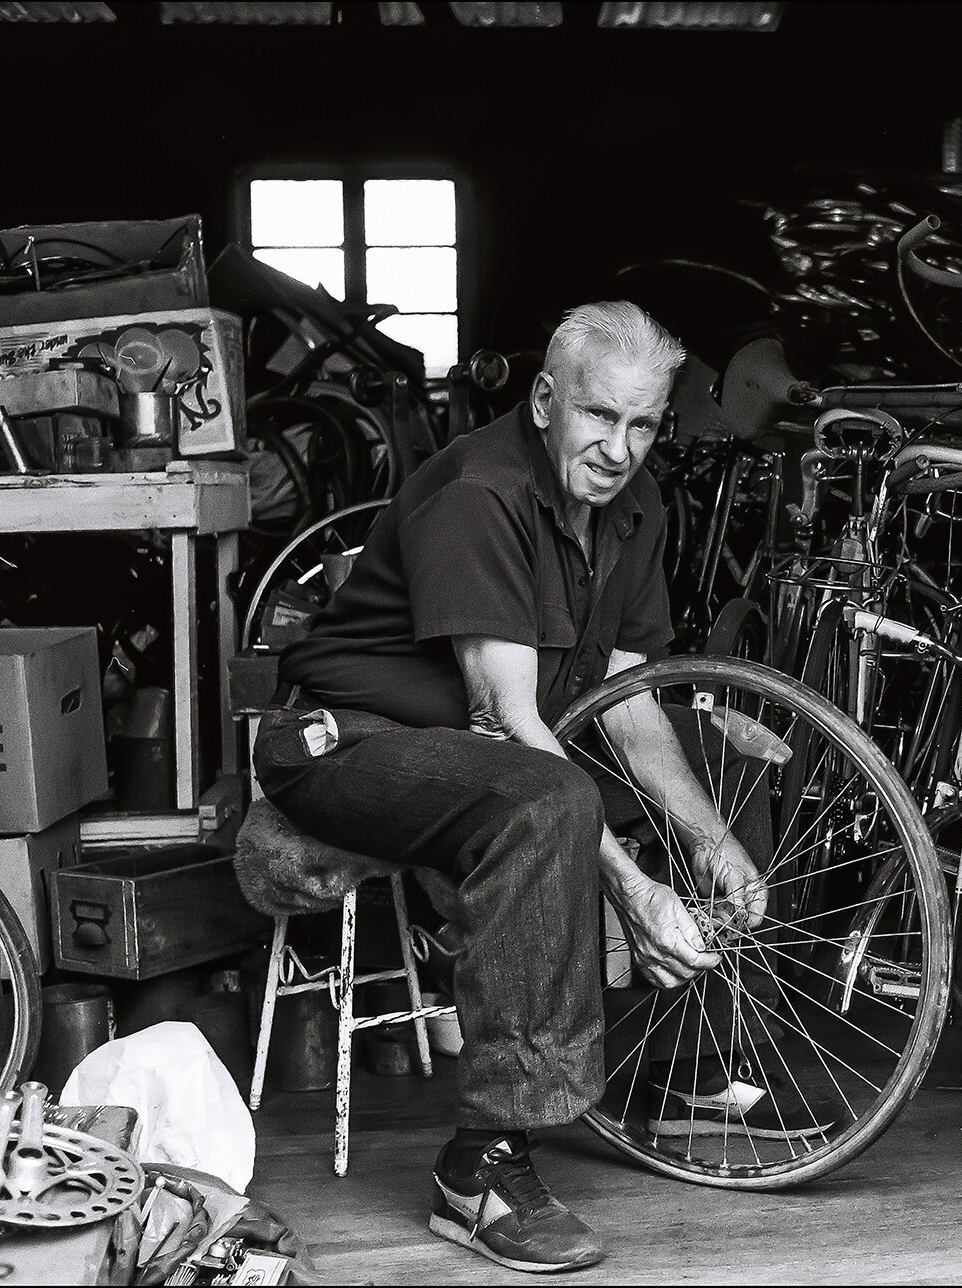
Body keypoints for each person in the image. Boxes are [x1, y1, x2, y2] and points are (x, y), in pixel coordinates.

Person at [252, 301, 827, 1275]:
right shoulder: (486, 488)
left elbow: (632, 702)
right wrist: (635, 887)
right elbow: (505, 724)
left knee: (729, 761)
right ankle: (480, 1165)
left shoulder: (634, 508)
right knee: (552, 801)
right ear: (547, 399)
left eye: (643, 425)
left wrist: (708, 839)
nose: (619, 448)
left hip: (495, 745)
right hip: (351, 745)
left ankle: (671, 1067)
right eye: (600, 417)